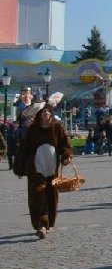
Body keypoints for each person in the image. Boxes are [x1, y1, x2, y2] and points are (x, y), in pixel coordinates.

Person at [13, 101, 72, 239]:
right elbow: (24, 148)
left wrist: (66, 157)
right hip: (35, 168)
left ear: (51, 114)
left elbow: (65, 145)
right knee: (38, 196)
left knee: (51, 196)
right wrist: (19, 167)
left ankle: (48, 222)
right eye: (43, 111)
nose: (46, 113)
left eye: (48, 111)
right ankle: (41, 225)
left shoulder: (57, 128)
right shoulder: (33, 129)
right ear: (39, 114)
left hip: (51, 169)